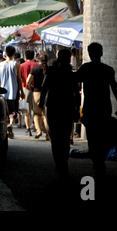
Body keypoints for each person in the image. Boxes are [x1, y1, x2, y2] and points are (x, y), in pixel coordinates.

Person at [75, 42, 117, 177]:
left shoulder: (86, 68)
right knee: (102, 136)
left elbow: (74, 81)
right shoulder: (108, 70)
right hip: (104, 108)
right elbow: (114, 87)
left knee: (92, 137)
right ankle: (100, 161)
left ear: (90, 54)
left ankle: (97, 162)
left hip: (90, 108)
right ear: (101, 53)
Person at [39, 49, 80, 179]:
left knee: (55, 138)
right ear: (68, 59)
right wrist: (76, 109)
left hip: (53, 108)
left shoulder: (51, 72)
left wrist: (41, 103)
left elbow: (44, 88)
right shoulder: (71, 75)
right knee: (64, 137)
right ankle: (64, 162)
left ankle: (59, 163)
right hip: (67, 108)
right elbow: (76, 95)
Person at [0, 45, 25, 139]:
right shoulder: (16, 64)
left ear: (5, 53)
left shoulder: (0, 65)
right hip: (13, 91)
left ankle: (8, 126)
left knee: (6, 111)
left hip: (3, 92)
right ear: (14, 54)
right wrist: (22, 91)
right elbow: (19, 79)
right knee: (13, 111)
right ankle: (10, 125)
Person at [28, 53, 50, 141]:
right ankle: (47, 135)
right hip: (47, 94)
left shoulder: (34, 69)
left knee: (37, 114)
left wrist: (31, 88)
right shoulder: (50, 69)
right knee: (45, 115)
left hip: (36, 93)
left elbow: (27, 81)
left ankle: (38, 131)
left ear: (38, 60)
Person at [20, 50, 38, 136]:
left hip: (25, 89)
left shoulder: (21, 66)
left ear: (25, 56)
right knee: (36, 110)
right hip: (36, 89)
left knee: (26, 110)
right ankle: (37, 127)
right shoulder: (37, 65)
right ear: (33, 56)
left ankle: (28, 129)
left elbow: (19, 79)